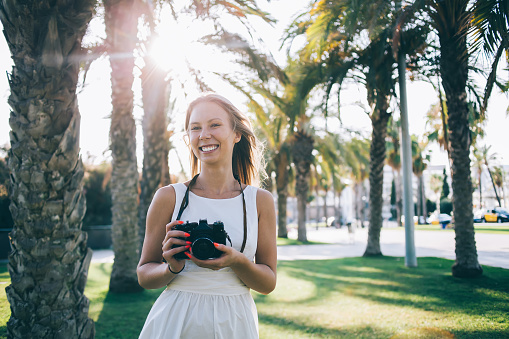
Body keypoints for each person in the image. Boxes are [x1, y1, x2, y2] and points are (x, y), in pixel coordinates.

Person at [137, 93, 277, 339]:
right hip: (175, 321)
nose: (203, 135)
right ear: (188, 138)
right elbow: (144, 275)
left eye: (214, 124)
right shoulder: (169, 197)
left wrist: (237, 261)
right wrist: (172, 267)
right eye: (195, 128)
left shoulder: (260, 201)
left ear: (236, 134)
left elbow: (268, 284)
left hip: (236, 323)